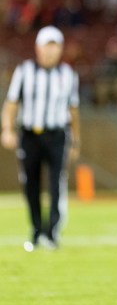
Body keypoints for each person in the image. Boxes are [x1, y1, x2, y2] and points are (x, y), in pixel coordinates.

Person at [1, 26, 81, 251]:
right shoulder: (24, 71)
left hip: (57, 135)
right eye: (47, 46)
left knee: (57, 184)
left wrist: (76, 140)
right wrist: (7, 129)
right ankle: (37, 231)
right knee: (31, 184)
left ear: (61, 49)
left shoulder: (67, 74)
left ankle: (52, 233)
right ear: (37, 48)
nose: (50, 51)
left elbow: (73, 110)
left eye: (55, 46)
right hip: (30, 135)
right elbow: (11, 103)